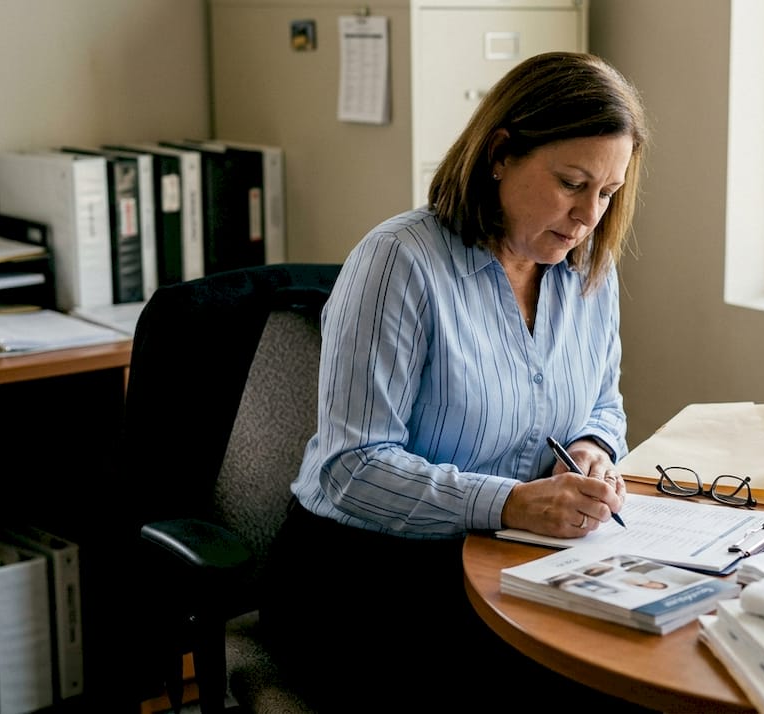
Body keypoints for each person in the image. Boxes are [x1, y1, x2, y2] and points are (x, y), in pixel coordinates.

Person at [261, 51, 651, 712]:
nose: (589, 215)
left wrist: (593, 446)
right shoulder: (398, 262)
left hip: (511, 557)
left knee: (638, 658)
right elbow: (353, 468)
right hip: (366, 574)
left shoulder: (589, 267)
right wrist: (511, 503)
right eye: (571, 183)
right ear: (500, 154)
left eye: (608, 192)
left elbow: (603, 403)